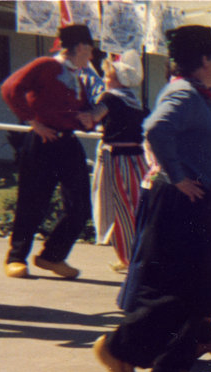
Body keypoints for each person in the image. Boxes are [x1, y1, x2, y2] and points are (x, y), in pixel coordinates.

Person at [93, 25, 211, 372]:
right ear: (205, 60)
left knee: (199, 291)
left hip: (191, 200)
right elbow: (155, 129)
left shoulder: (191, 93)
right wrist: (179, 176)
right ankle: (117, 350)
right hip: (181, 203)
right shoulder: (185, 93)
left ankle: (169, 369)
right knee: (178, 291)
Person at [0, 24, 97, 280]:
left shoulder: (78, 76)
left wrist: (86, 118)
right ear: (80, 47)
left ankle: (52, 256)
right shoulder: (46, 65)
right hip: (43, 141)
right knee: (32, 202)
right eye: (90, 49)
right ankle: (16, 258)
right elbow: (10, 88)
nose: (91, 55)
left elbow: (78, 110)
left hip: (67, 142)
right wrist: (33, 121)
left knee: (80, 206)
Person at [88, 50, 149, 271]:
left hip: (116, 159)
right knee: (138, 207)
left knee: (118, 208)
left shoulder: (110, 98)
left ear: (118, 80)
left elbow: (92, 117)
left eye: (108, 76)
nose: (105, 80)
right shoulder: (136, 101)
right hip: (138, 160)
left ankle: (130, 258)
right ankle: (136, 255)